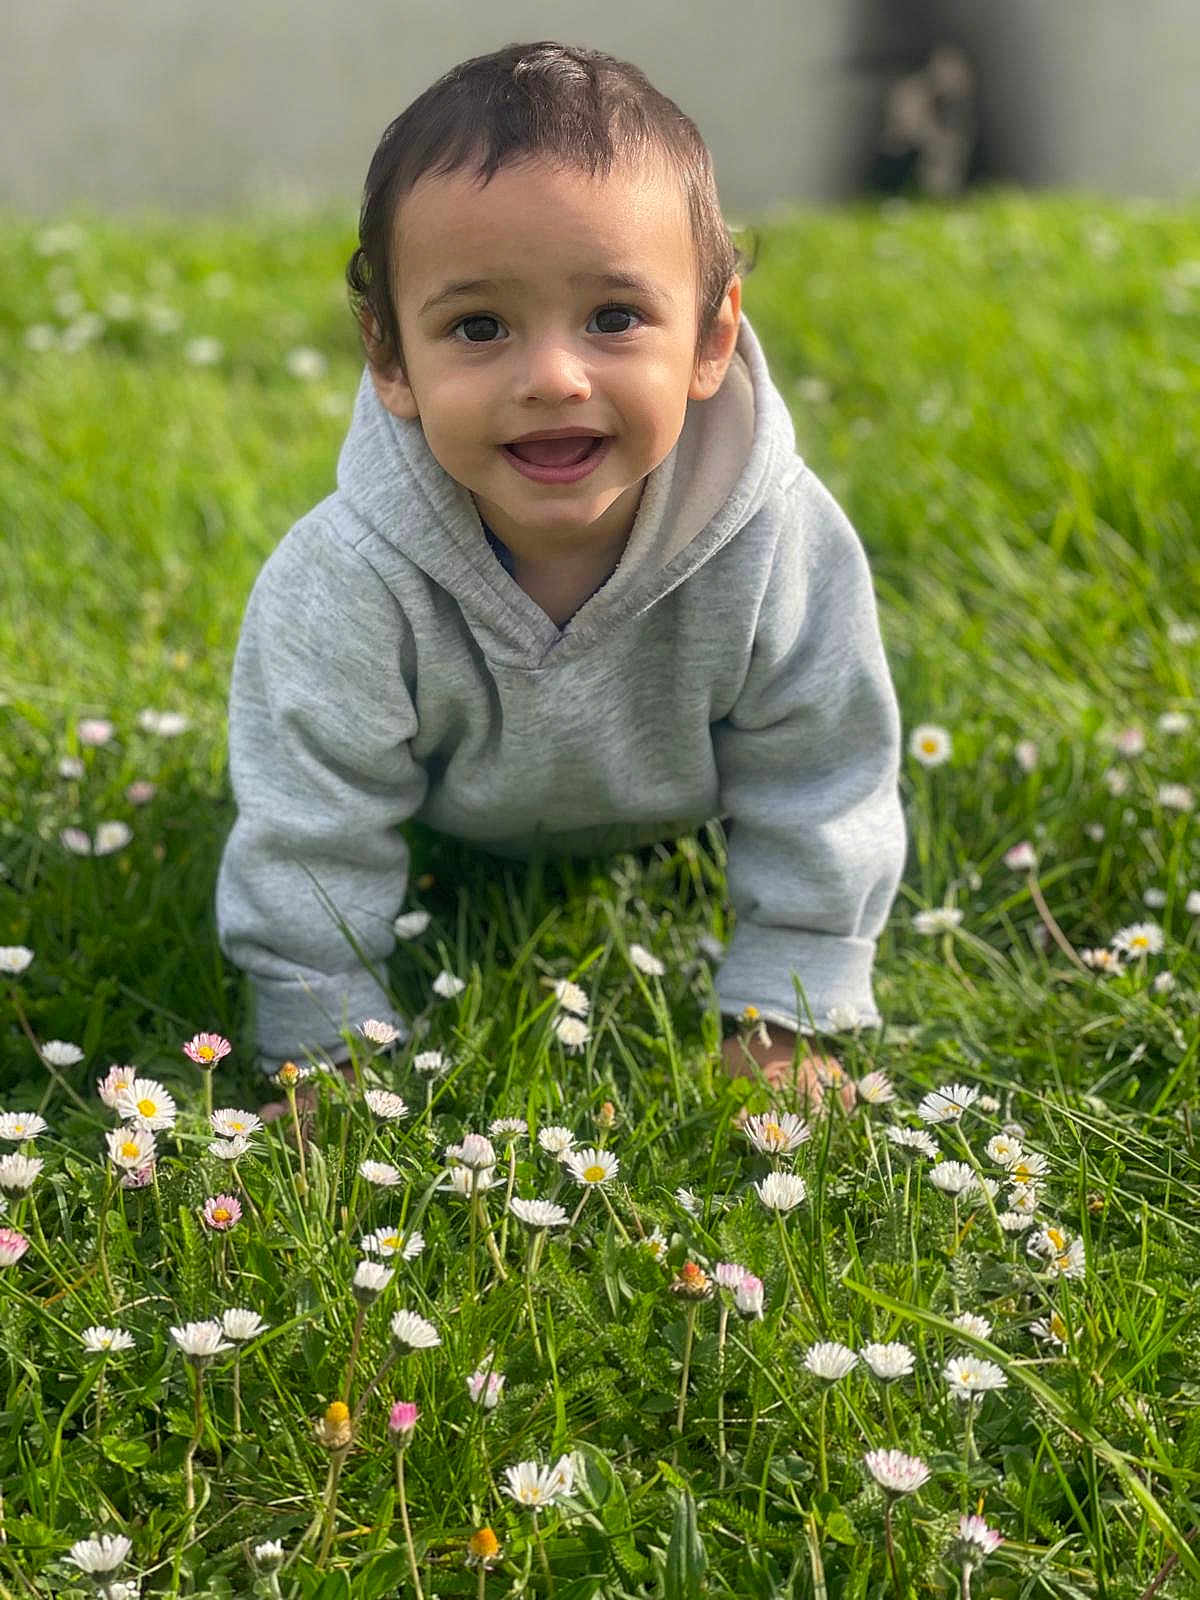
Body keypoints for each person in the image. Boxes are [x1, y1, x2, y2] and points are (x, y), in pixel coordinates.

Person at [215, 40, 907, 1107]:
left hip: (684, 800)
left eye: (615, 317)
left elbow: (824, 771)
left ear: (712, 338)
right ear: (390, 357)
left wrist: (787, 1008)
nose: (552, 376)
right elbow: (312, 815)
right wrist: (321, 1039)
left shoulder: (780, 543)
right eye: (479, 326)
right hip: (463, 822)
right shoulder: (349, 577)